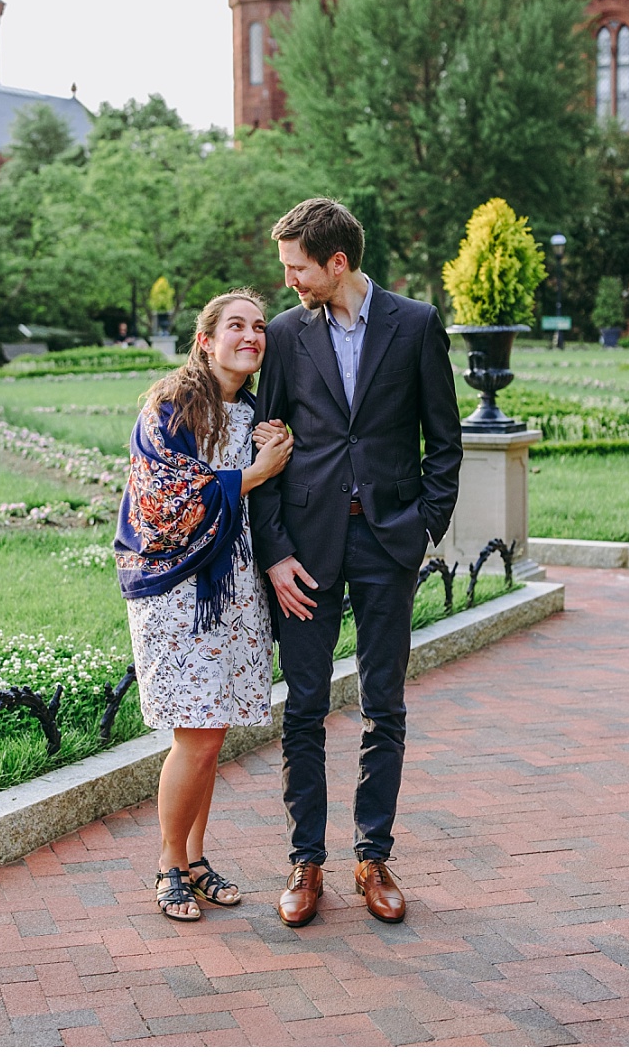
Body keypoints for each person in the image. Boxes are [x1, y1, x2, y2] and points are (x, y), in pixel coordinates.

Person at [250, 197, 463, 928]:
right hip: (305, 553)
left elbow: (445, 438)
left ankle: (372, 855)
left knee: (385, 705)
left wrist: (423, 528)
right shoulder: (284, 335)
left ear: (336, 262)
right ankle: (305, 862)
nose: (290, 282)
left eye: (297, 268)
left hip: (387, 544)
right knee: (304, 707)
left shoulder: (416, 324)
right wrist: (273, 552)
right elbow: (266, 449)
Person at [115, 290, 294, 921]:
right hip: (176, 591)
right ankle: (168, 866)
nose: (251, 336)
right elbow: (162, 500)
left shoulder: (253, 416)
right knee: (194, 735)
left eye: (259, 327)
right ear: (206, 340)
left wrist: (274, 455)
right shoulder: (170, 408)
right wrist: (254, 474)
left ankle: (194, 857)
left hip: (235, 590)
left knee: (211, 736)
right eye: (236, 326)